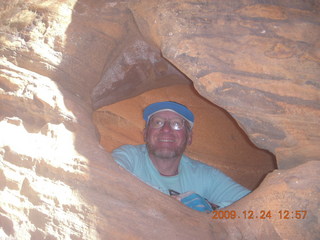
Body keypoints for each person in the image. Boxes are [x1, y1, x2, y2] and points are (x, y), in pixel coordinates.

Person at [112, 101, 250, 212]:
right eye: (157, 122)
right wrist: (169, 203)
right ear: (145, 134)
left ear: (189, 138)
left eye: (177, 124)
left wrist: (212, 208)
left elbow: (257, 205)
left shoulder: (204, 175)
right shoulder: (129, 156)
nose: (166, 129)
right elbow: (106, 175)